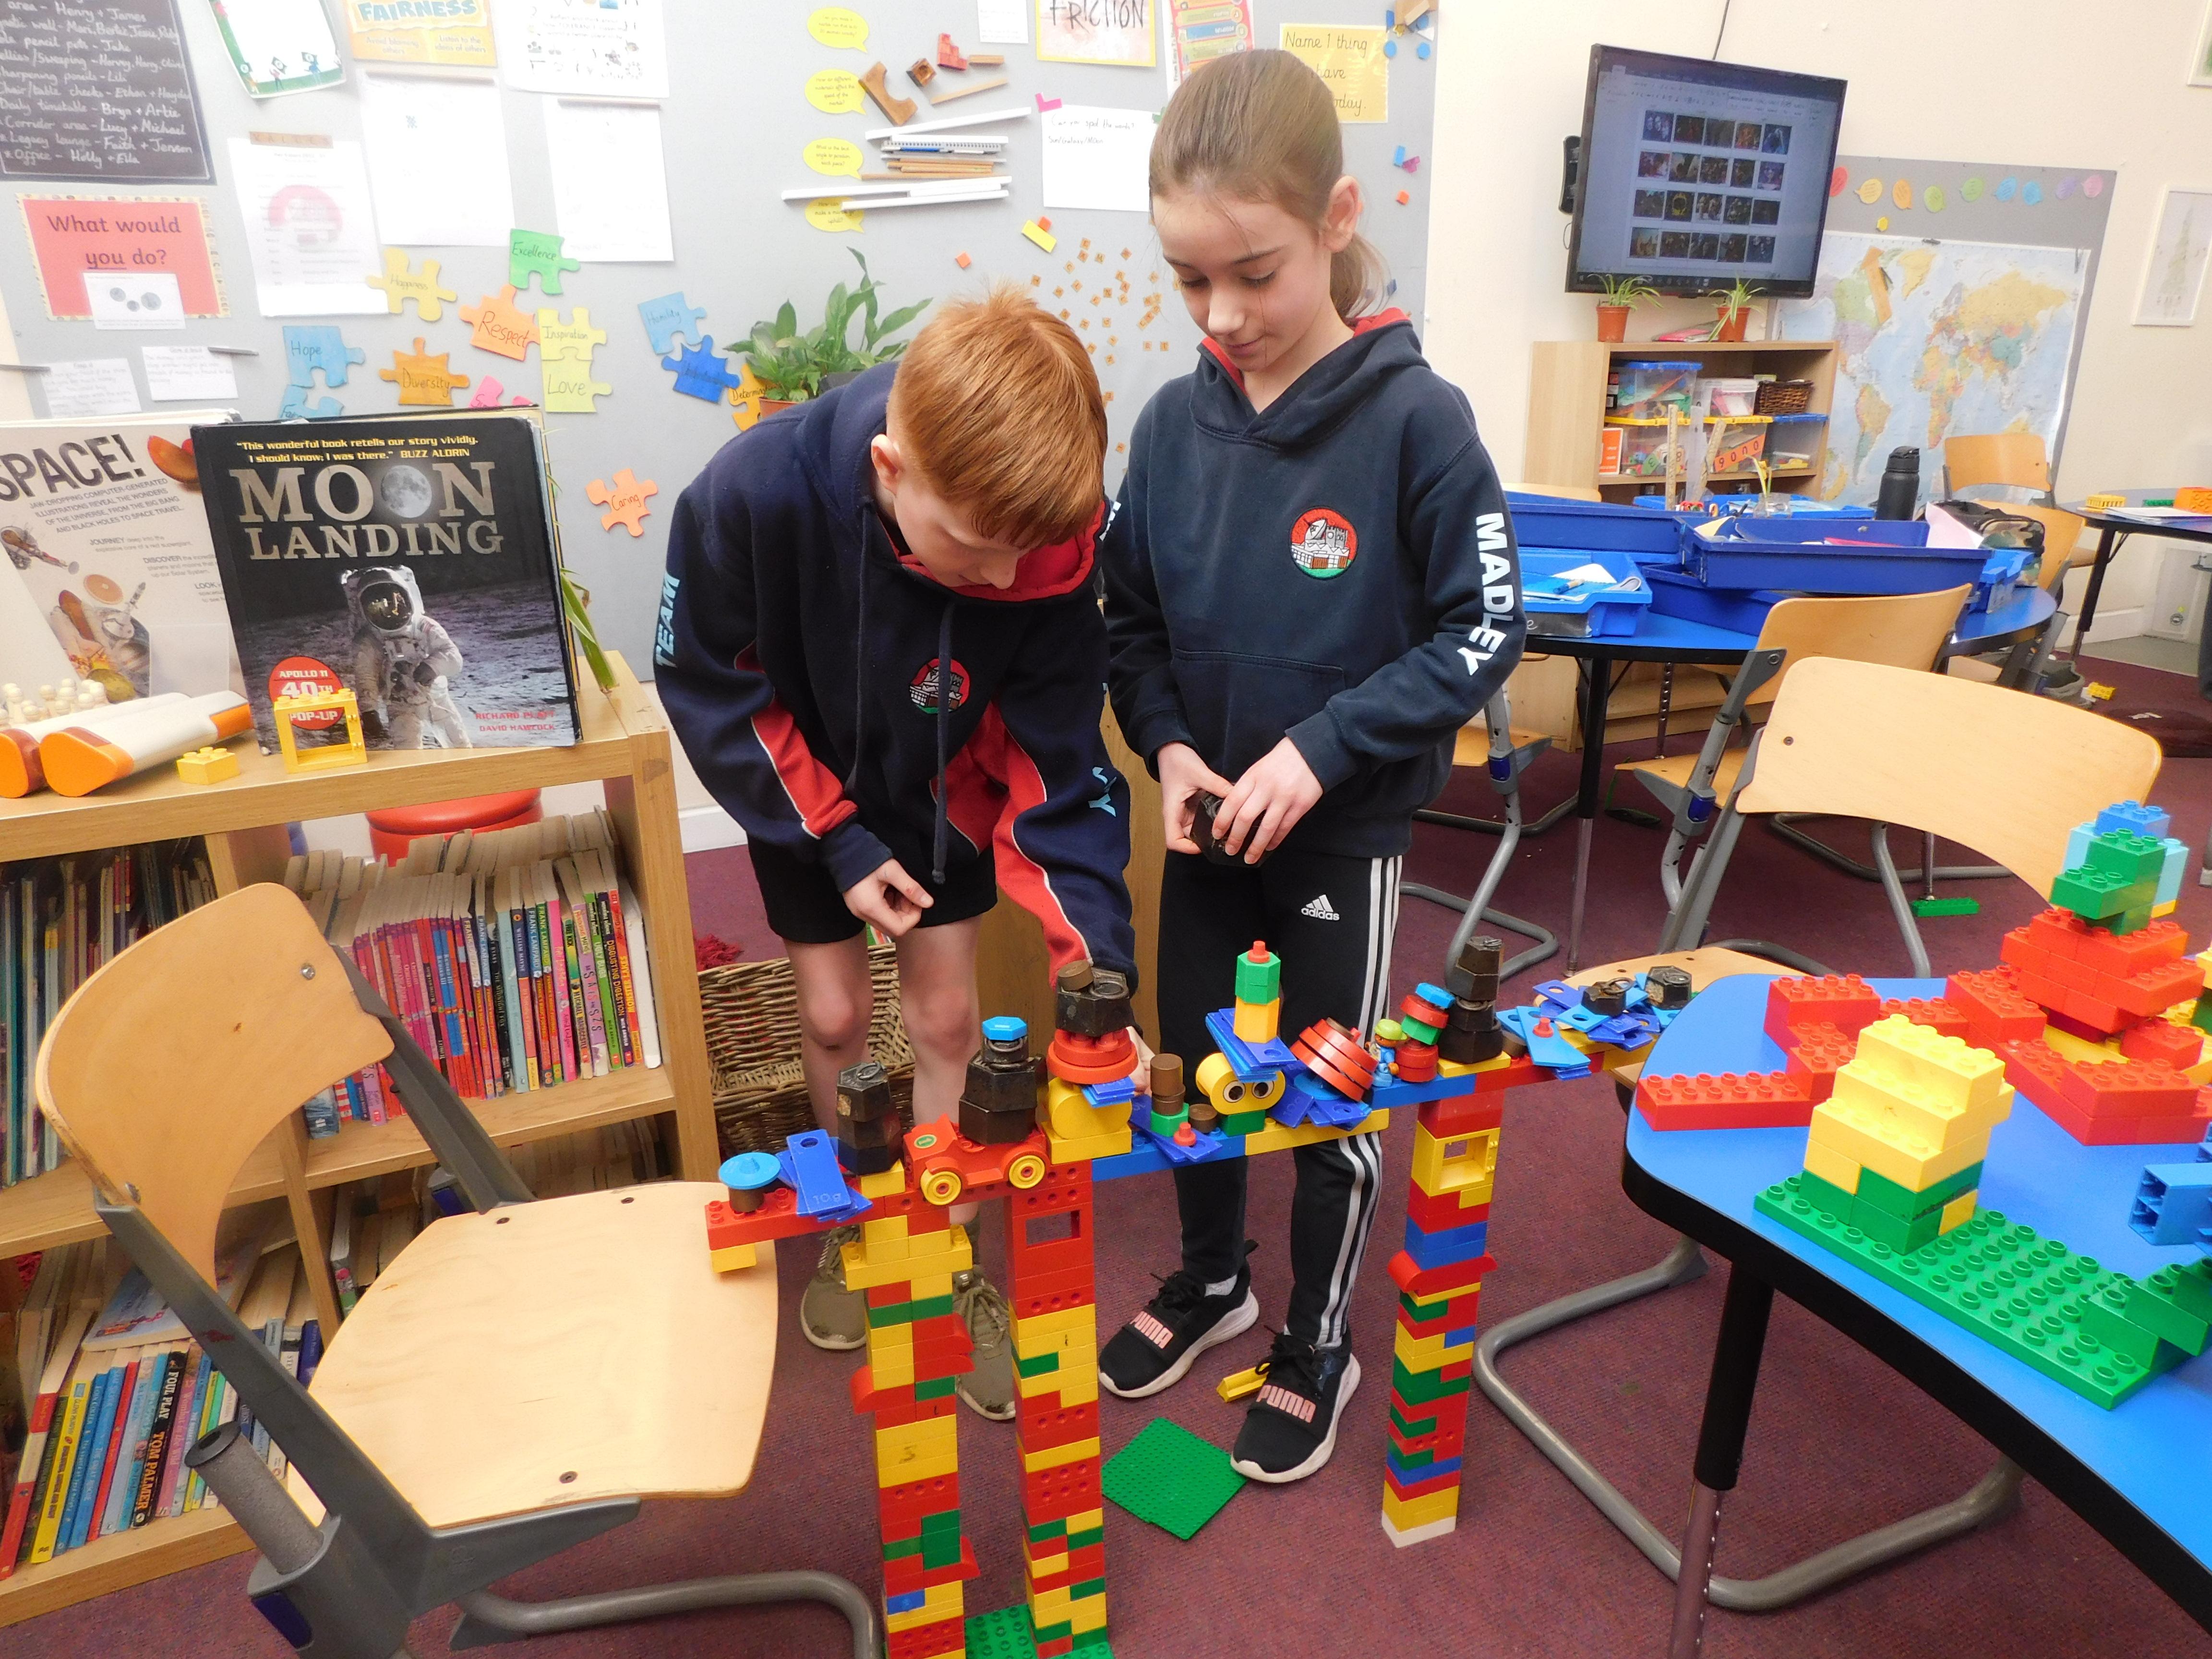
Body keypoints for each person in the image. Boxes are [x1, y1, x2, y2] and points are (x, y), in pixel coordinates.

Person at [1097, 49, 1525, 1482]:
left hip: (1340, 839)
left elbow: (1488, 630)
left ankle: (1315, 1340)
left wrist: (1322, 747)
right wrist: (1168, 748)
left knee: (1327, 1093)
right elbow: (1127, 623)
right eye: (1189, 281)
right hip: (1207, 833)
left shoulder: (1420, 421)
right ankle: (1214, 1279)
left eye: (1256, 274)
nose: (1223, 316)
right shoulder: (1171, 427)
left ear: (1338, 220)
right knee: (1201, 1074)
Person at [656, 287, 1139, 1421]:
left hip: (940, 793)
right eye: (975, 552)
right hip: (800, 792)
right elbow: (712, 685)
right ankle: (864, 1220)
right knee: (832, 1019)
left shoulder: (1042, 546)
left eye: (1027, 557)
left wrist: (1096, 976)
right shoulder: (751, 492)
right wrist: (831, 836)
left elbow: (1062, 767)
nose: (1007, 584)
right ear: (890, 466)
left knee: (945, 1021)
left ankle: (944, 1246)